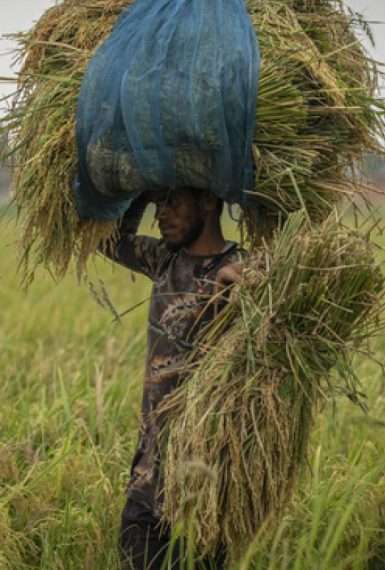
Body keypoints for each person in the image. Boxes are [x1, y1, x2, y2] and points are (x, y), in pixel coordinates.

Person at [99, 185, 246, 570]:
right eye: (158, 204)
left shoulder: (242, 268)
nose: (161, 213)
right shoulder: (163, 259)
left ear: (209, 200)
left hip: (205, 487)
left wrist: (252, 277)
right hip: (147, 481)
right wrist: (141, 186)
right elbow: (105, 238)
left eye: (173, 202)